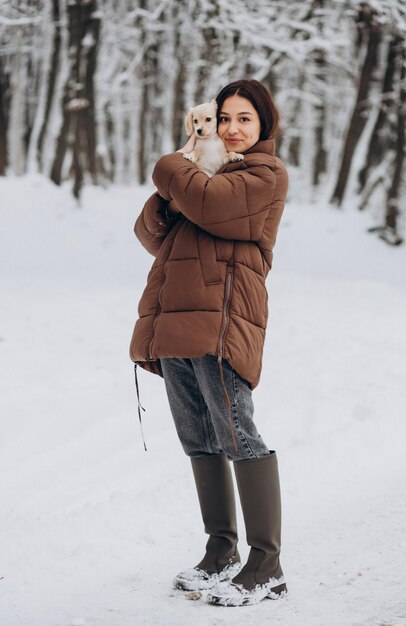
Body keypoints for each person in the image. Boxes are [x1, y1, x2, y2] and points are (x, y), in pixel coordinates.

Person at [129, 79, 289, 607]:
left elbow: (209, 205)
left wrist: (171, 169)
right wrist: (171, 194)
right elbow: (153, 235)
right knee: (198, 436)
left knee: (237, 431)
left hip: (223, 321)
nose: (231, 129)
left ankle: (266, 565)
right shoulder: (208, 174)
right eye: (224, 118)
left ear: (264, 125)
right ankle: (220, 550)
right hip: (177, 319)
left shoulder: (262, 174)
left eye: (245, 119)